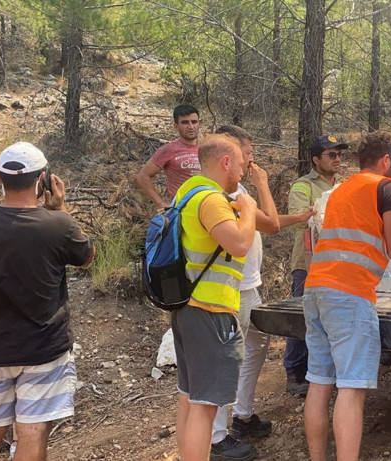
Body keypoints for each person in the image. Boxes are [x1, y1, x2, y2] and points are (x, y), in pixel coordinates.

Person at [0, 142, 95, 461]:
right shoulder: (58, 225)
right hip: (43, 349)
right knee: (32, 433)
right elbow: (86, 259)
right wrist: (60, 210)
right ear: (43, 179)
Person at [302, 131, 391, 461]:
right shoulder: (387, 186)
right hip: (349, 294)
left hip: (316, 288)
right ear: (386, 160)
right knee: (352, 388)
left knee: (320, 383)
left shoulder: (341, 190)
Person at [208, 125, 314, 460]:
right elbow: (268, 221)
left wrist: (289, 211)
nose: (252, 161)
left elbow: (266, 221)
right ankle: (216, 438)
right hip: (229, 291)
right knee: (228, 360)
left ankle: (243, 415)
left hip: (249, 286)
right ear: (231, 156)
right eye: (248, 154)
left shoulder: (237, 190)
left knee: (255, 348)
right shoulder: (223, 194)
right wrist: (263, 186)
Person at [170, 134, 257, 461]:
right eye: (240, 162)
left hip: (187, 307)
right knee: (205, 408)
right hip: (209, 311)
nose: (243, 168)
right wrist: (247, 208)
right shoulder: (211, 199)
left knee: (189, 399)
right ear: (225, 162)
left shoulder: (186, 192)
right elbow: (238, 244)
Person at [284, 134, 347, 396]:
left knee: (331, 315)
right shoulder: (303, 186)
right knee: (302, 316)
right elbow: (300, 219)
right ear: (316, 160)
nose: (337, 159)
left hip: (338, 262)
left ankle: (325, 368)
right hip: (307, 262)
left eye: (339, 154)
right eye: (331, 155)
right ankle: (295, 370)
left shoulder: (345, 185)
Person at [137, 104, 202, 208]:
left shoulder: (207, 149)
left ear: (199, 124)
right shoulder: (168, 150)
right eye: (185, 122)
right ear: (176, 126)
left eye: (194, 122)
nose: (191, 126)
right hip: (181, 210)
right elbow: (143, 176)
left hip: (207, 208)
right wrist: (160, 203)